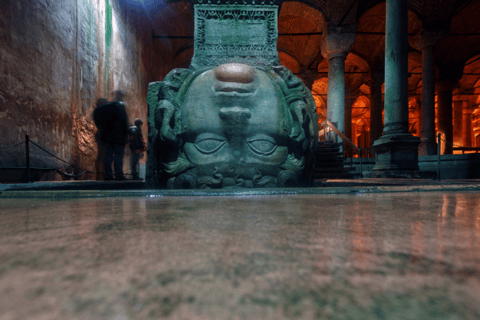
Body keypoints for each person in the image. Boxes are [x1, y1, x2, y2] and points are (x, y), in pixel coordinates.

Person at [93, 91, 129, 180]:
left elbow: (98, 125)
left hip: (106, 137)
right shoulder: (117, 106)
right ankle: (119, 174)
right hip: (119, 136)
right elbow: (124, 120)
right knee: (118, 156)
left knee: (107, 156)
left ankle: (108, 175)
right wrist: (126, 133)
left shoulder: (97, 111)